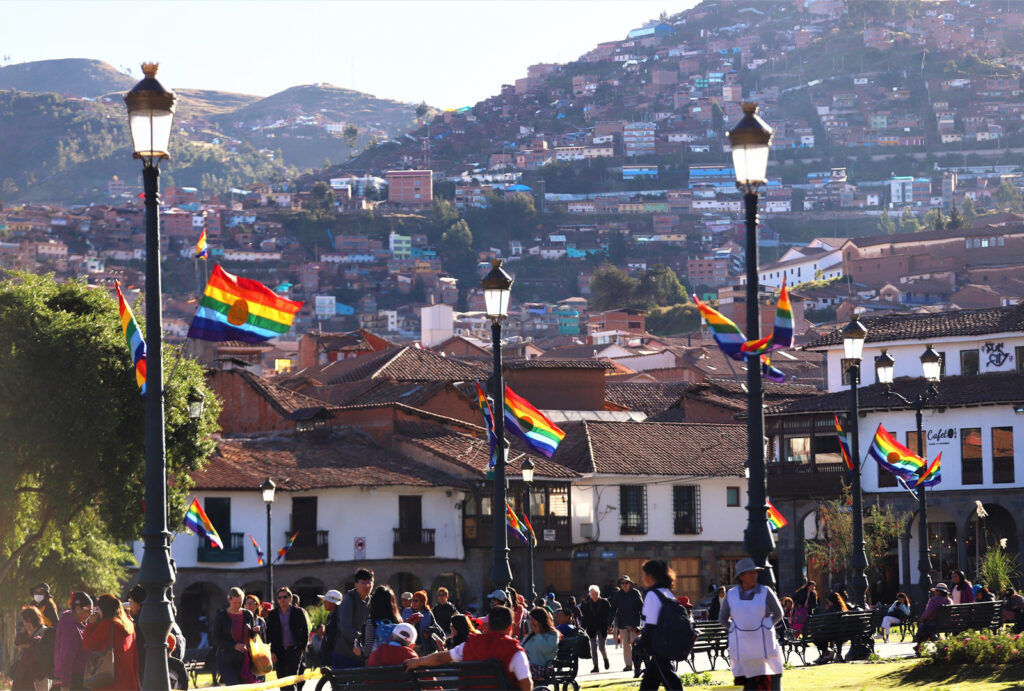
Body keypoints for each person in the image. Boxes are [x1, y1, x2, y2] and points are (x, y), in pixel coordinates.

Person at [407, 606, 532, 691]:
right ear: (510, 627)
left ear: (487, 625)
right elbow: (527, 687)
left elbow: (441, 657)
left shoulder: (470, 645)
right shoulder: (514, 651)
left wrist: (416, 662)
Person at [719, 558, 785, 690]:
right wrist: (733, 628)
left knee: (768, 681)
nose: (754, 575)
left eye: (755, 572)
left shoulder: (766, 591)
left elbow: (779, 613)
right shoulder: (731, 595)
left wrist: (767, 624)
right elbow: (722, 618)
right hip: (742, 649)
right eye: (750, 573)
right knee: (748, 685)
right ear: (742, 576)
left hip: (764, 647)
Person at [636, 559, 685, 691]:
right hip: (667, 642)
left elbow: (651, 625)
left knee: (671, 682)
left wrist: (642, 644)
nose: (642, 577)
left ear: (650, 576)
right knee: (649, 684)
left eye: (644, 574)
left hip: (659, 646)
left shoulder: (652, 594)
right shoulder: (667, 592)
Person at [82, 594, 140, 691]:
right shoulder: (129, 625)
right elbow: (135, 658)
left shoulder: (106, 625)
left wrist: (91, 625)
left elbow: (87, 644)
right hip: (128, 681)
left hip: (109, 682)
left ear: (103, 610)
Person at [266, 586, 309, 690]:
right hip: (279, 652)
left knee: (291, 681)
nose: (282, 599)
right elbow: (269, 634)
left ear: (290, 598)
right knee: (282, 682)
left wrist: (302, 648)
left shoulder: (298, 612)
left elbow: (305, 630)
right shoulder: (272, 614)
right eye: (279, 597)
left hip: (294, 651)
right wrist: (271, 652)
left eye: (285, 597)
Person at [210, 587, 255, 685]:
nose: (238, 605)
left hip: (244, 658)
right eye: (235, 603)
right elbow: (216, 639)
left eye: (240, 602)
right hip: (226, 658)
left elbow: (251, 637)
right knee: (233, 686)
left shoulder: (248, 615)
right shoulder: (221, 616)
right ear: (229, 600)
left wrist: (255, 632)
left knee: (245, 686)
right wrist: (234, 646)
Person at [335, 568, 374, 668]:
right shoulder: (348, 601)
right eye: (363, 582)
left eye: (369, 582)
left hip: (362, 654)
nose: (367, 586)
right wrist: (364, 640)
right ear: (356, 584)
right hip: (345, 655)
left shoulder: (372, 600)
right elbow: (346, 629)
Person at [54, 591, 92, 691]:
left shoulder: (80, 623)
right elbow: (66, 658)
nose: (90, 613)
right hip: (74, 680)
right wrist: (65, 685)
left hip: (80, 678)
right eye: (88, 610)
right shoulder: (70, 628)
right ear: (78, 609)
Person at [11, 606, 52, 691]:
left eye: (24, 620)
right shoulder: (31, 634)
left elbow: (43, 652)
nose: (24, 623)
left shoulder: (43, 631)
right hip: (32, 675)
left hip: (41, 675)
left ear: (29, 620)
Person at [609, 575, 643, 672]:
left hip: (635, 623)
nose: (624, 585)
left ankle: (638, 664)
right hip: (623, 623)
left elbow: (642, 608)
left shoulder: (636, 593)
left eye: (626, 583)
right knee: (626, 644)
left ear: (630, 584)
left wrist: (644, 622)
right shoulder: (618, 595)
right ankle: (628, 665)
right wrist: (610, 623)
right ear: (620, 585)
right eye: (622, 583)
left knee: (635, 644)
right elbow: (613, 610)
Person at [360, 584, 403, 659]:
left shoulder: (372, 623)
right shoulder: (398, 622)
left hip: (377, 663)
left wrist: (358, 651)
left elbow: (367, 650)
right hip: (396, 662)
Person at [521, 606, 560, 681]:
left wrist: (538, 634)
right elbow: (521, 649)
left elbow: (545, 649)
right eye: (530, 620)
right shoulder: (530, 636)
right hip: (529, 667)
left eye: (533, 620)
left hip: (543, 669)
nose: (530, 623)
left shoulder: (553, 634)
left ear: (540, 620)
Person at [580, 584, 611, 673]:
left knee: (601, 647)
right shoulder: (586, 605)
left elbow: (609, 615)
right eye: (593, 593)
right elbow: (585, 618)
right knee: (593, 647)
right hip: (591, 628)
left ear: (599, 593)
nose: (595, 595)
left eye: (596, 593)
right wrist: (582, 628)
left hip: (602, 627)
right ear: (590, 594)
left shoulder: (605, 602)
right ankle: (596, 666)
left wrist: (610, 625)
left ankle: (605, 659)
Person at [915, 583, 953, 654]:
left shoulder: (934, 600)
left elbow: (928, 612)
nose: (934, 592)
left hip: (933, 624)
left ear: (939, 592)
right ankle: (919, 646)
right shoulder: (949, 601)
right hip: (947, 624)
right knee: (925, 628)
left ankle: (919, 646)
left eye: (935, 591)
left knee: (922, 628)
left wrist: (922, 619)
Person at [317, 589, 342, 666]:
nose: (324, 602)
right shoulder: (330, 616)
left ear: (333, 603)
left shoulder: (339, 616)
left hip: (337, 654)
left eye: (326, 600)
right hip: (329, 654)